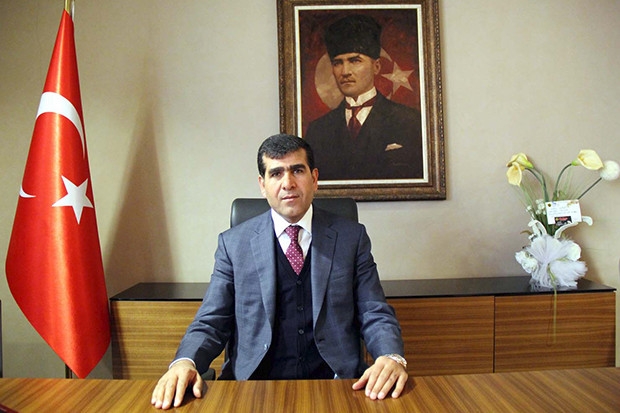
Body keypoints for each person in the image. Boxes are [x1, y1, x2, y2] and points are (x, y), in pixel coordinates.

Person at [151, 134, 408, 409]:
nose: (288, 183)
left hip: (336, 386)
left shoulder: (351, 238)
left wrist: (391, 356)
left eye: (297, 170)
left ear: (314, 178)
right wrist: (185, 361)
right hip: (254, 389)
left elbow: (374, 311)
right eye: (276, 173)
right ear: (263, 185)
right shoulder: (234, 244)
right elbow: (212, 320)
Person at [304, 14, 424, 180]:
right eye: (338, 63)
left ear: (376, 67)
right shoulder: (318, 130)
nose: (345, 72)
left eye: (355, 61)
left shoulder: (410, 121)